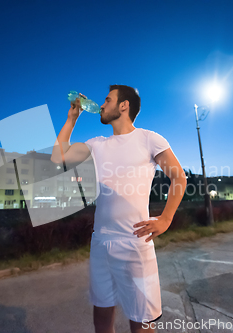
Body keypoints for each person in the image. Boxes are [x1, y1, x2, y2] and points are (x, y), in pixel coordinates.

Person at [51, 85, 186, 333]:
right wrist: (72, 119)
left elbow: (179, 178)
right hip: (101, 242)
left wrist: (166, 220)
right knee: (102, 319)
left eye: (107, 100)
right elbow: (58, 158)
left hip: (134, 243)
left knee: (141, 322)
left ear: (124, 105)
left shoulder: (149, 139)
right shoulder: (97, 144)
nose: (101, 105)